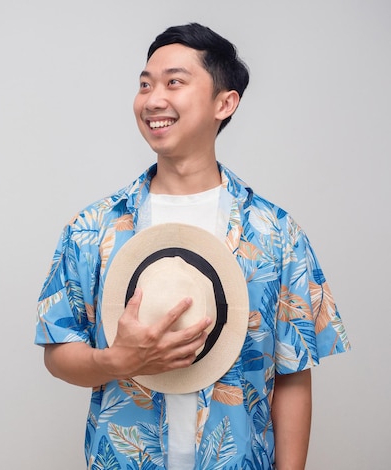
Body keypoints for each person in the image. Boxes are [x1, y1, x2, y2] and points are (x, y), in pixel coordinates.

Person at [35, 22, 350, 470]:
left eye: (174, 82)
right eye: (145, 84)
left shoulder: (276, 233)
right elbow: (57, 350)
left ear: (225, 102)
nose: (153, 99)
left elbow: (293, 372)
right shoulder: (94, 228)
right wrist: (117, 360)